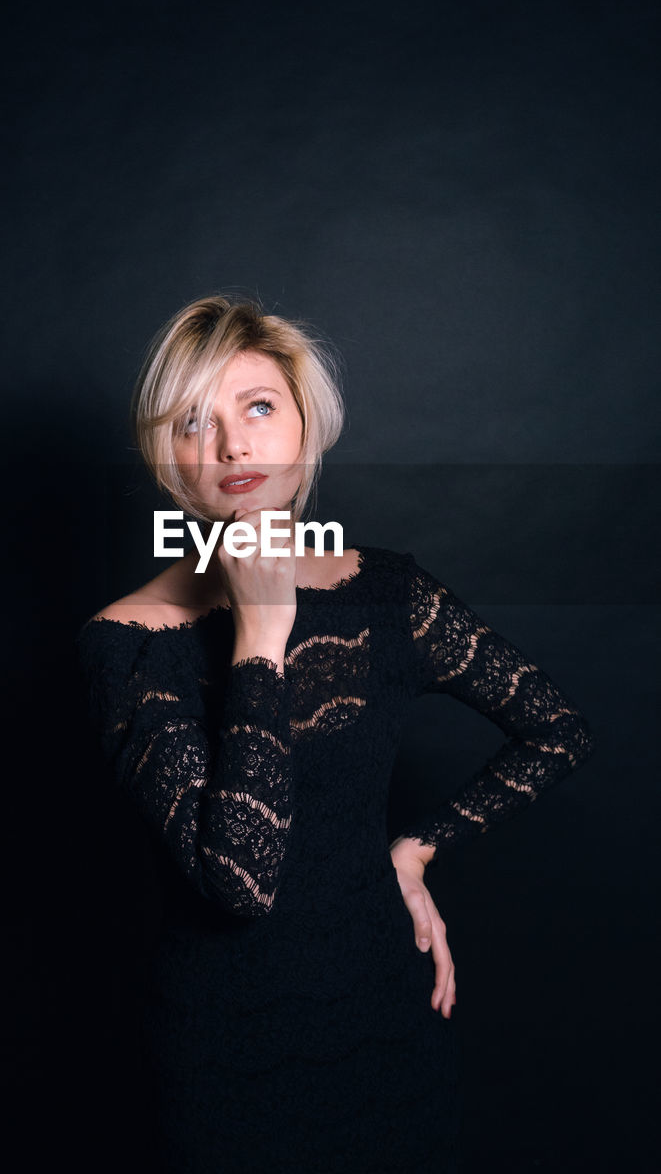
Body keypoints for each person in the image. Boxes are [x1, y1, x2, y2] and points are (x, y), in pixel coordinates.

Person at [76, 294, 595, 1174]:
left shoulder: (390, 594)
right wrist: (261, 635)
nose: (233, 447)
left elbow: (556, 729)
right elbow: (238, 881)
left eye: (259, 407)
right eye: (193, 421)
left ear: (306, 423)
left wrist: (417, 849)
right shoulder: (127, 640)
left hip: (384, 1021)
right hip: (222, 1055)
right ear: (167, 457)